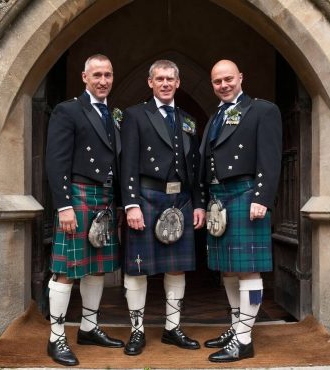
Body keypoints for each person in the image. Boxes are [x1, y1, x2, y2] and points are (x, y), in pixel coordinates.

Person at [120, 59, 206, 356]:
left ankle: (172, 328)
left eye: (170, 79)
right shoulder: (135, 115)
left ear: (178, 83)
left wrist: (197, 203)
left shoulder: (187, 119)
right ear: (150, 83)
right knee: (138, 268)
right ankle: (137, 330)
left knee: (177, 267)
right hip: (146, 197)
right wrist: (131, 204)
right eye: (160, 79)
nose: (166, 83)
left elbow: (193, 167)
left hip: (180, 200)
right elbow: (127, 162)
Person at [199, 59, 282, 362]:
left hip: (247, 195)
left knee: (248, 268)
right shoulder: (216, 116)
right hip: (220, 198)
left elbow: (270, 158)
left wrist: (262, 197)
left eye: (228, 79)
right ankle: (236, 327)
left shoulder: (262, 110)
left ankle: (244, 339)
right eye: (217, 81)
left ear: (241, 77)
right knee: (229, 268)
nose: (223, 85)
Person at [45, 54, 124, 366]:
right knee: (66, 271)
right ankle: (56, 337)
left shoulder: (113, 115)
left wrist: (117, 201)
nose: (103, 80)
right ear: (84, 77)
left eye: (107, 74)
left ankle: (89, 328)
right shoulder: (68, 110)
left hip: (104, 197)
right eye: (97, 75)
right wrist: (64, 206)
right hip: (77, 196)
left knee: (97, 267)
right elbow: (56, 160)